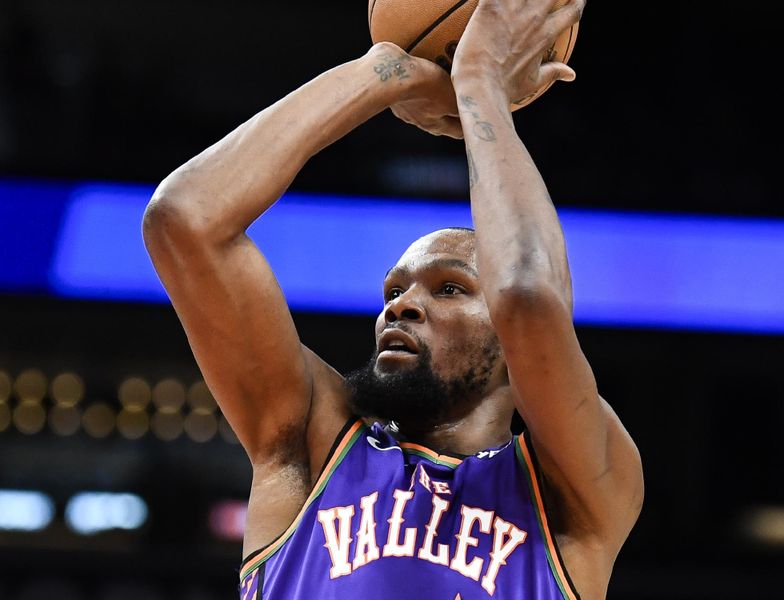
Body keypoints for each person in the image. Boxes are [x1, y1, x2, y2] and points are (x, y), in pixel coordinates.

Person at [143, 0, 642, 597]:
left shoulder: (575, 494)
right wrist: (388, 70)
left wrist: (479, 82)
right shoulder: (310, 444)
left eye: (451, 287)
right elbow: (185, 220)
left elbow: (529, 296)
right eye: (394, 291)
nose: (401, 306)